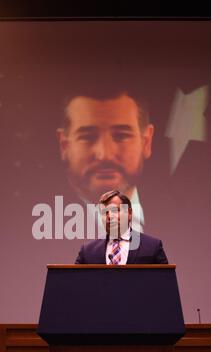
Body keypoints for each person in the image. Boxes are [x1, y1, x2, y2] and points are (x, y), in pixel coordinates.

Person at [57, 85, 154, 232]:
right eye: (88, 137)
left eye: (121, 136)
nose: (105, 155)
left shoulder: (188, 218)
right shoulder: (28, 223)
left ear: (146, 142)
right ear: (64, 146)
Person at [75, 190, 168, 265]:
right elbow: (74, 283)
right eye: (104, 212)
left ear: (130, 213)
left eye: (115, 210)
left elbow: (166, 283)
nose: (110, 216)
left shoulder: (152, 247)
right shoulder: (87, 251)